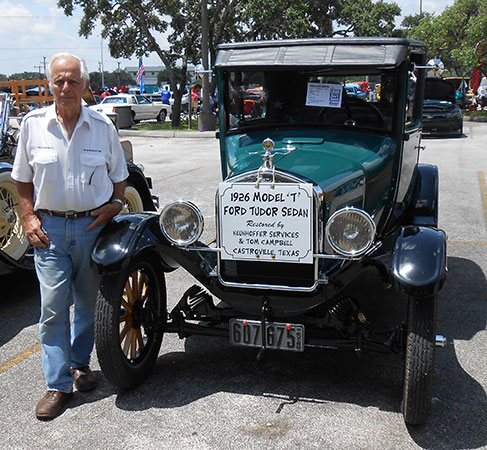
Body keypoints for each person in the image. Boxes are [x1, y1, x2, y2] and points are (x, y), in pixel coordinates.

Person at [12, 53, 129, 420]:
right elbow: (22, 179)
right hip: (49, 231)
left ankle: (80, 363)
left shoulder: (102, 126)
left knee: (89, 305)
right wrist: (28, 217)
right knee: (52, 307)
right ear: (50, 84)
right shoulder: (33, 125)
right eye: (59, 80)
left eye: (72, 81)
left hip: (92, 229)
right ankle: (58, 385)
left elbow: (120, 176)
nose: (65, 87)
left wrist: (114, 205)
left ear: (85, 86)